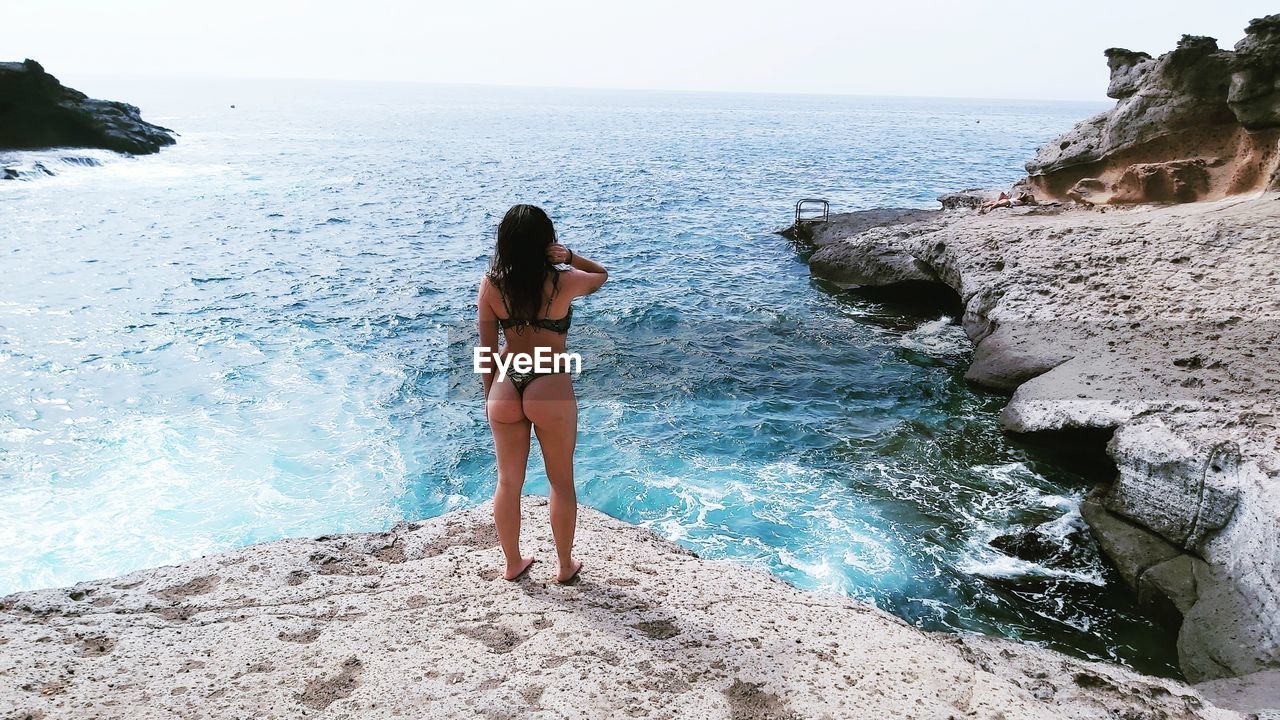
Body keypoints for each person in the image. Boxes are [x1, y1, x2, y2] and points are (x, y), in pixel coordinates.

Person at [477, 204, 608, 583]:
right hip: (548, 382)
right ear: (545, 243)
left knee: (507, 481)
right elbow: (601, 275)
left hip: (506, 384)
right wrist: (569, 256)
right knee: (560, 480)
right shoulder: (563, 281)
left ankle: (513, 563)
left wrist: (491, 399)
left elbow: (486, 351)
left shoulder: (491, 284)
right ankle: (565, 566)